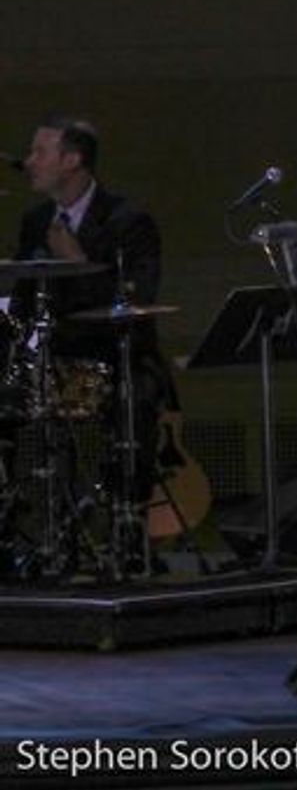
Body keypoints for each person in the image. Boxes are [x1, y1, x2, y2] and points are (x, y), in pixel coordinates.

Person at [10, 114, 174, 570]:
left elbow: (136, 301)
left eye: (40, 153)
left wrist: (79, 264)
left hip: (115, 357)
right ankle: (29, 526)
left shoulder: (129, 220)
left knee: (136, 400)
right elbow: (24, 297)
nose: (29, 162)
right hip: (55, 357)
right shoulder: (36, 221)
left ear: (72, 160)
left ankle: (127, 528)